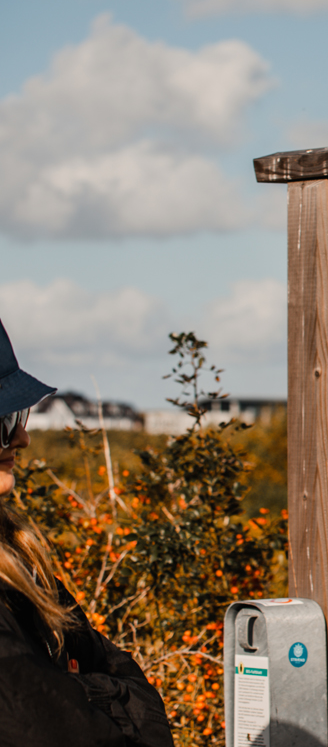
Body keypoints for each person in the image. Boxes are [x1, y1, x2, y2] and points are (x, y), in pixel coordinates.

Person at [0, 320, 172, 747]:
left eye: (17, 415)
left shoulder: (18, 560)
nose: (21, 437)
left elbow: (119, 672)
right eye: (3, 420)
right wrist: (90, 691)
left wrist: (75, 691)